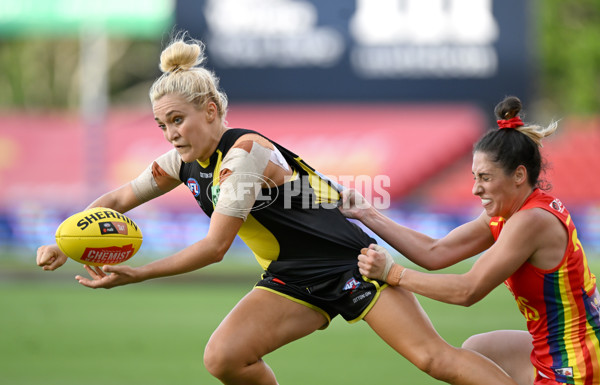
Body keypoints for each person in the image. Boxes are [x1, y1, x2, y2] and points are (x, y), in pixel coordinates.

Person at [36, 32, 519, 385]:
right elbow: (119, 200)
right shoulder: (183, 161)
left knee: (434, 360)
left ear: (210, 110)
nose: (171, 134)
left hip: (349, 262)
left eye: (178, 120)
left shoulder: (246, 153)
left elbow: (214, 248)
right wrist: (64, 239)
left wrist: (137, 275)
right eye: (163, 126)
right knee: (225, 358)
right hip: (290, 276)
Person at [340, 96, 600, 385]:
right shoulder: (508, 213)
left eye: (485, 178)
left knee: (462, 365)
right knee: (477, 351)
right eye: (474, 177)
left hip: (578, 364)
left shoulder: (531, 221)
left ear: (519, 175)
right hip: (560, 346)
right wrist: (368, 214)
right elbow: (435, 252)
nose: (476, 189)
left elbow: (468, 291)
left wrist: (393, 273)